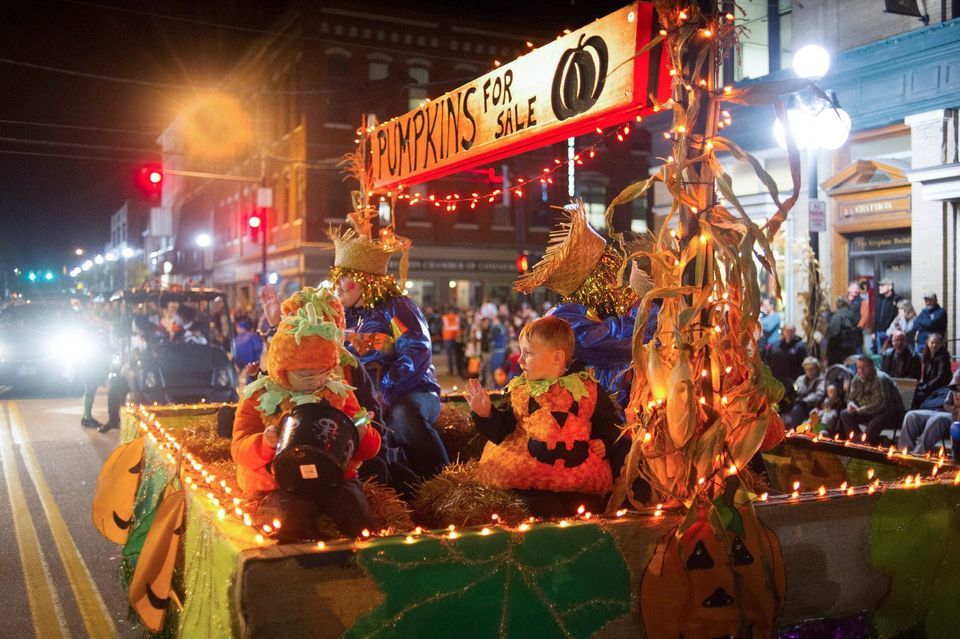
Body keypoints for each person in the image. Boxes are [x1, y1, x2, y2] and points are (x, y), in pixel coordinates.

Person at [231, 290, 380, 541]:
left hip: (335, 479)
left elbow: (369, 448)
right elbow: (239, 448)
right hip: (279, 482)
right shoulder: (257, 396)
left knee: (355, 514)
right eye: (303, 374)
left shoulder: (339, 392)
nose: (313, 381)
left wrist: (363, 433)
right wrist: (264, 443)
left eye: (320, 373)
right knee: (290, 521)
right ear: (282, 368)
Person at [465, 316, 626, 518]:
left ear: (557, 357)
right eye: (521, 351)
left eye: (528, 353)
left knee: (586, 510)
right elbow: (502, 431)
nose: (520, 359)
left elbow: (609, 422)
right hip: (531, 482)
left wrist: (605, 440)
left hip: (577, 481)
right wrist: (485, 413)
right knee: (543, 510)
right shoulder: (521, 390)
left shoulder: (586, 388)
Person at [329, 225, 449, 480]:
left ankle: (443, 481)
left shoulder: (397, 308)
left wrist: (384, 389)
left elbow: (416, 349)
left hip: (413, 392)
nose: (337, 286)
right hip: (366, 398)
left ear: (364, 280)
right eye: (336, 277)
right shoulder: (343, 316)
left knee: (402, 415)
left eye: (343, 278)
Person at [514, 200, 656, 410]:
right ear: (594, 281)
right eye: (610, 273)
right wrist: (648, 302)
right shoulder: (567, 321)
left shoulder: (582, 312)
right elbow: (630, 336)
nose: (617, 284)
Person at [831, 356, 904, 445]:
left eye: (864, 367)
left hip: (889, 413)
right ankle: (859, 442)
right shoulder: (857, 378)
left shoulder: (880, 379)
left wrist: (860, 410)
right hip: (866, 411)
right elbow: (851, 397)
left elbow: (880, 405)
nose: (861, 370)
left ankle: (864, 441)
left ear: (872, 367)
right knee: (845, 414)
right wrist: (851, 404)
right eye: (859, 368)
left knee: (878, 418)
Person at [897, 369, 960, 455]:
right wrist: (954, 408)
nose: (957, 393)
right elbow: (946, 403)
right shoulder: (953, 389)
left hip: (954, 417)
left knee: (936, 420)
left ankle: (918, 453)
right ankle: (903, 452)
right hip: (944, 410)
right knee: (911, 416)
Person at [911, 333, 952, 410]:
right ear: (928, 343)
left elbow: (940, 377)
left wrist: (926, 387)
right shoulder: (926, 356)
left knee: (919, 396)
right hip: (929, 386)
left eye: (937, 343)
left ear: (941, 344)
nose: (934, 345)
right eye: (932, 342)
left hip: (939, 388)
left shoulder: (943, 358)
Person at [766, 324, 808, 398]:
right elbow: (767, 361)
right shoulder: (774, 346)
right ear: (783, 332)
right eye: (787, 331)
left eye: (791, 331)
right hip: (776, 381)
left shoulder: (800, 346)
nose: (789, 333)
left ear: (794, 332)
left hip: (792, 382)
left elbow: (804, 364)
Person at [785, 357, 825, 429]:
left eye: (812, 369)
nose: (810, 371)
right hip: (799, 404)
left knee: (798, 409)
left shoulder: (821, 380)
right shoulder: (801, 379)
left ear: (817, 368)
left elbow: (819, 394)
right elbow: (796, 389)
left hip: (814, 405)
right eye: (807, 369)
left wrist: (805, 401)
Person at [826, 297, 859, 366]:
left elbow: (834, 333)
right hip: (851, 347)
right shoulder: (852, 315)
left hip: (838, 349)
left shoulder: (837, 316)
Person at [231, 317, 263, 385]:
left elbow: (234, 351)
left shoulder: (238, 338)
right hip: (251, 361)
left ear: (242, 328)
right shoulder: (251, 336)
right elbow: (259, 348)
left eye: (238, 327)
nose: (237, 329)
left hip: (244, 361)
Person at [872, 278, 900, 353]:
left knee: (890, 353)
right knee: (880, 354)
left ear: (890, 287)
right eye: (879, 285)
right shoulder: (880, 299)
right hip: (879, 331)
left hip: (890, 332)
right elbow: (876, 316)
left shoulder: (897, 299)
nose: (880, 287)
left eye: (883, 285)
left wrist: (894, 331)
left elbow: (898, 317)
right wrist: (873, 331)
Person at [846, 281, 870, 354]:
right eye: (853, 288)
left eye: (857, 288)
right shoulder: (844, 301)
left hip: (856, 334)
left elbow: (865, 317)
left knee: (857, 354)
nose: (856, 290)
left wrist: (858, 328)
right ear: (848, 289)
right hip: (845, 334)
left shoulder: (863, 302)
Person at [440, 306, 462, 376]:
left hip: (447, 338)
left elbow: (444, 327)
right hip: (456, 338)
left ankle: (451, 370)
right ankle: (457, 370)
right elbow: (458, 327)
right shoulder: (457, 317)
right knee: (456, 355)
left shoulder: (445, 318)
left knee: (449, 355)